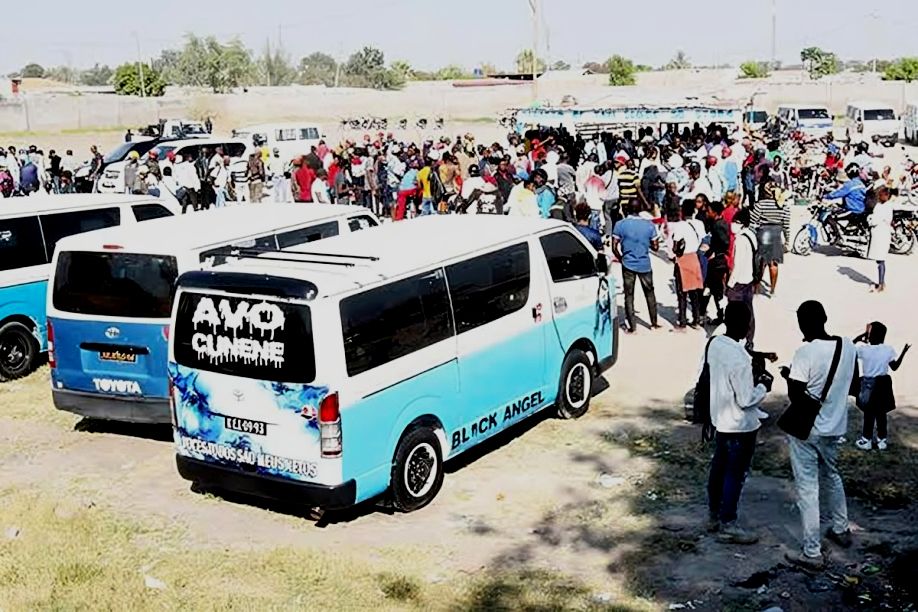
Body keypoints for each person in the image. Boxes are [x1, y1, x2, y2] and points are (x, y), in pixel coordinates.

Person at [781, 300, 857, 570]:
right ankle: (841, 528)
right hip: (834, 427)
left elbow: (795, 396)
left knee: (808, 488)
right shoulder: (847, 346)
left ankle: (811, 553)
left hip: (807, 430)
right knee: (833, 476)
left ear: (801, 323)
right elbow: (854, 384)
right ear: (825, 318)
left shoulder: (805, 352)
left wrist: (789, 377)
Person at [705, 301, 771, 543]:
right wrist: (763, 386)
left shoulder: (715, 344)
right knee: (735, 474)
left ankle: (713, 514)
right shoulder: (739, 359)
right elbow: (745, 400)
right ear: (746, 325)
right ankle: (728, 523)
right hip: (741, 425)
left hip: (720, 419)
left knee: (719, 468)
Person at [853, 322, 909, 451]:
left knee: (869, 413)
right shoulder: (888, 349)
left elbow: (850, 349)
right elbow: (894, 367)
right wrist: (903, 353)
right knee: (881, 413)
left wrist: (860, 337)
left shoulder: (863, 349)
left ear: (869, 335)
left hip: (869, 384)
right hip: (884, 384)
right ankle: (881, 440)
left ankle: (866, 440)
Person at [611, 200, 660, 333]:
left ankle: (632, 326)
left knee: (629, 294)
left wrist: (621, 258)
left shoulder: (620, 225)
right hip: (645, 264)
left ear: (627, 209)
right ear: (640, 210)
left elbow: (614, 246)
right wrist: (644, 244)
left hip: (628, 264)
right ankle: (654, 322)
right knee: (650, 293)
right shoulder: (649, 225)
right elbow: (656, 247)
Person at [751, 176, 791, 296]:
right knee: (773, 264)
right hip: (776, 234)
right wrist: (788, 241)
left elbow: (753, 219)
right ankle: (772, 290)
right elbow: (786, 225)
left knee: (760, 263)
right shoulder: (783, 206)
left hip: (763, 232)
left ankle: (756, 288)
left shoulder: (760, 204)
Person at [667, 202, 704, 328]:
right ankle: (696, 319)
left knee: (682, 293)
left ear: (681, 212)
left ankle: (682, 321)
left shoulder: (680, 226)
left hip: (683, 259)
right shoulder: (699, 224)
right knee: (694, 292)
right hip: (694, 257)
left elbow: (676, 243)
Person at [726, 209, 758, 348]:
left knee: (734, 314)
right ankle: (749, 340)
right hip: (749, 279)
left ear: (742, 224)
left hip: (738, 282)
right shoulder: (751, 235)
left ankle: (735, 340)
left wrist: (730, 284)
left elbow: (737, 265)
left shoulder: (740, 240)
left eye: (736, 222)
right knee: (748, 311)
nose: (733, 224)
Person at [701, 201, 731, 326]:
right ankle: (717, 315)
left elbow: (724, 242)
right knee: (714, 290)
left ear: (715, 212)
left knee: (712, 289)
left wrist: (714, 251)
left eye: (709, 211)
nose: (707, 213)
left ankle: (706, 315)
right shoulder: (721, 223)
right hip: (719, 261)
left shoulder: (717, 226)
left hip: (717, 262)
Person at [866, 186, 894, 292]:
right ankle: (881, 282)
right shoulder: (885, 206)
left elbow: (874, 220)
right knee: (880, 260)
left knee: (880, 260)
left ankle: (881, 284)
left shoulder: (883, 207)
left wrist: (869, 219)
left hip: (880, 234)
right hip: (882, 233)